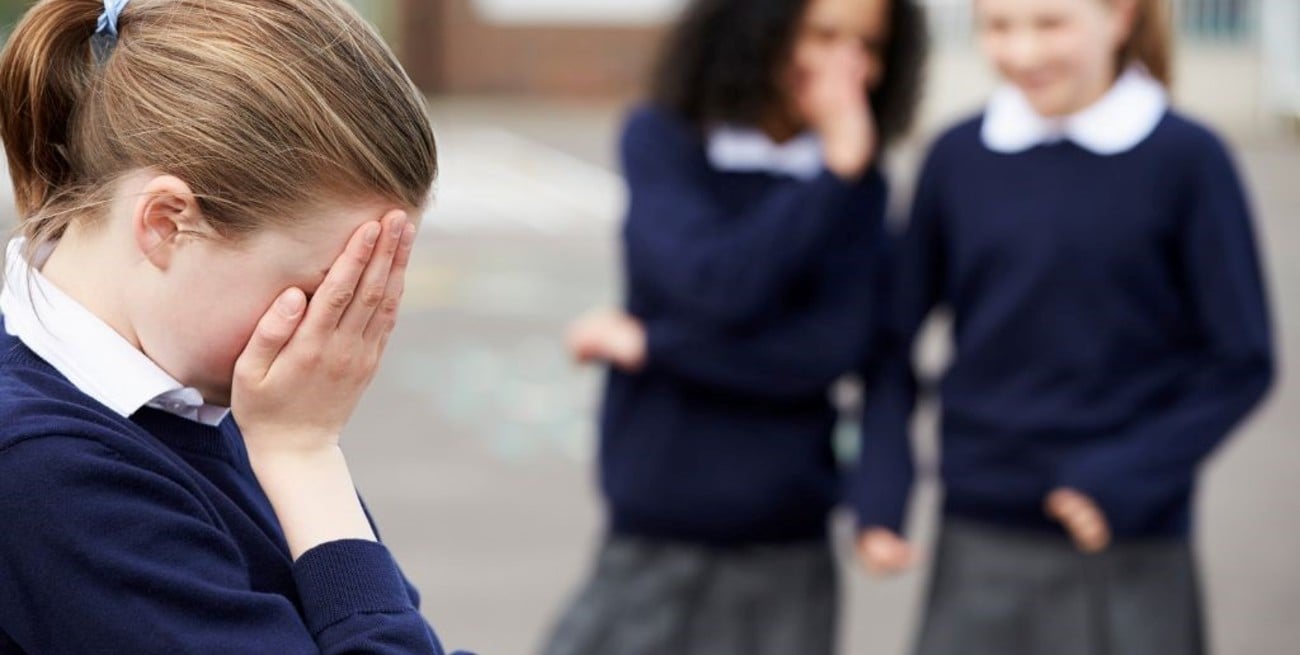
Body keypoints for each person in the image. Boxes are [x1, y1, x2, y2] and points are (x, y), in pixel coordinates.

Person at [0, 1, 469, 653]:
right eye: (319, 291)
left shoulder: (208, 398)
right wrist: (305, 456)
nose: (338, 340)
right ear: (167, 222)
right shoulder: (45, 472)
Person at [852, 1, 1275, 653]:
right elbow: (890, 339)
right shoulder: (958, 157)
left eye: (1050, 24)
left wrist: (1129, 475)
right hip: (980, 534)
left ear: (1120, 17)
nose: (1022, 53)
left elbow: (1243, 359)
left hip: (1128, 542)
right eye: (998, 27)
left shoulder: (1188, 159)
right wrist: (882, 491)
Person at [543, 0, 926, 653]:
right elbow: (715, 288)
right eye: (825, 35)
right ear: (758, 28)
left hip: (785, 543)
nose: (847, 66)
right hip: (654, 529)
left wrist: (652, 344)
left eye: (868, 45)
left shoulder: (860, 186)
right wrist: (832, 173)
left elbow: (828, 352)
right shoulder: (665, 142)